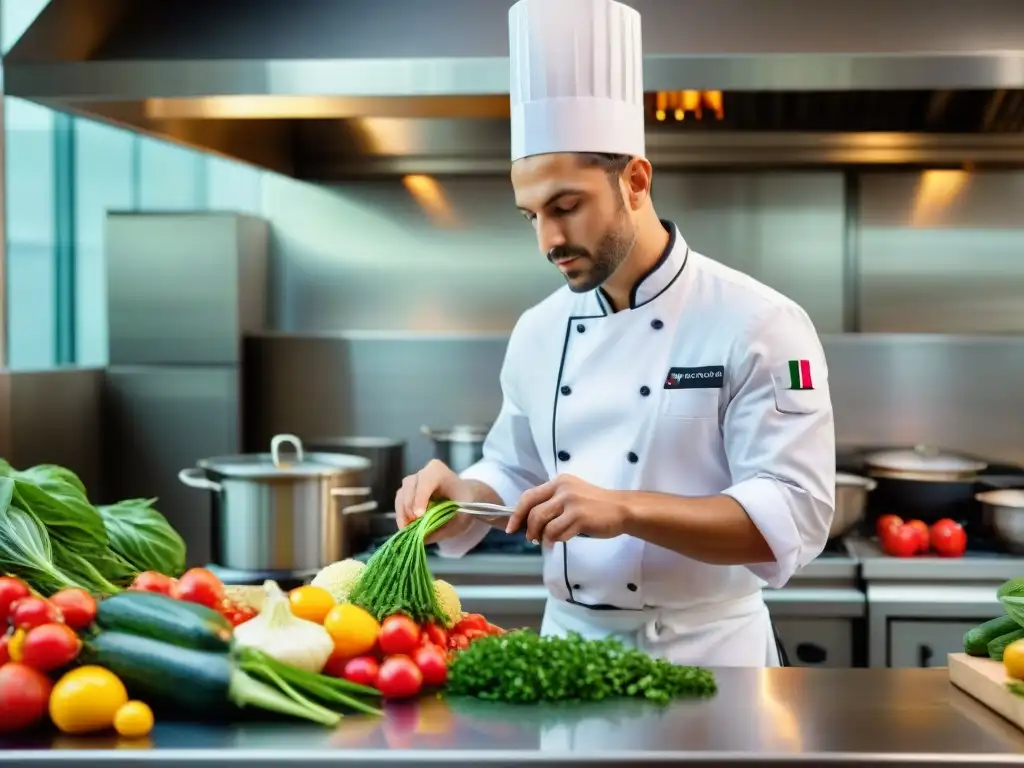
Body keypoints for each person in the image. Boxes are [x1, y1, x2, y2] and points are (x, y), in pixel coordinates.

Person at [395, 0, 836, 667]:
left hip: (710, 658)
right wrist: (463, 500)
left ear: (635, 180)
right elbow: (516, 468)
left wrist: (626, 510)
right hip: (569, 653)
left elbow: (793, 515)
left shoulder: (758, 323)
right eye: (531, 215)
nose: (548, 239)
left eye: (567, 206)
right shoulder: (539, 331)